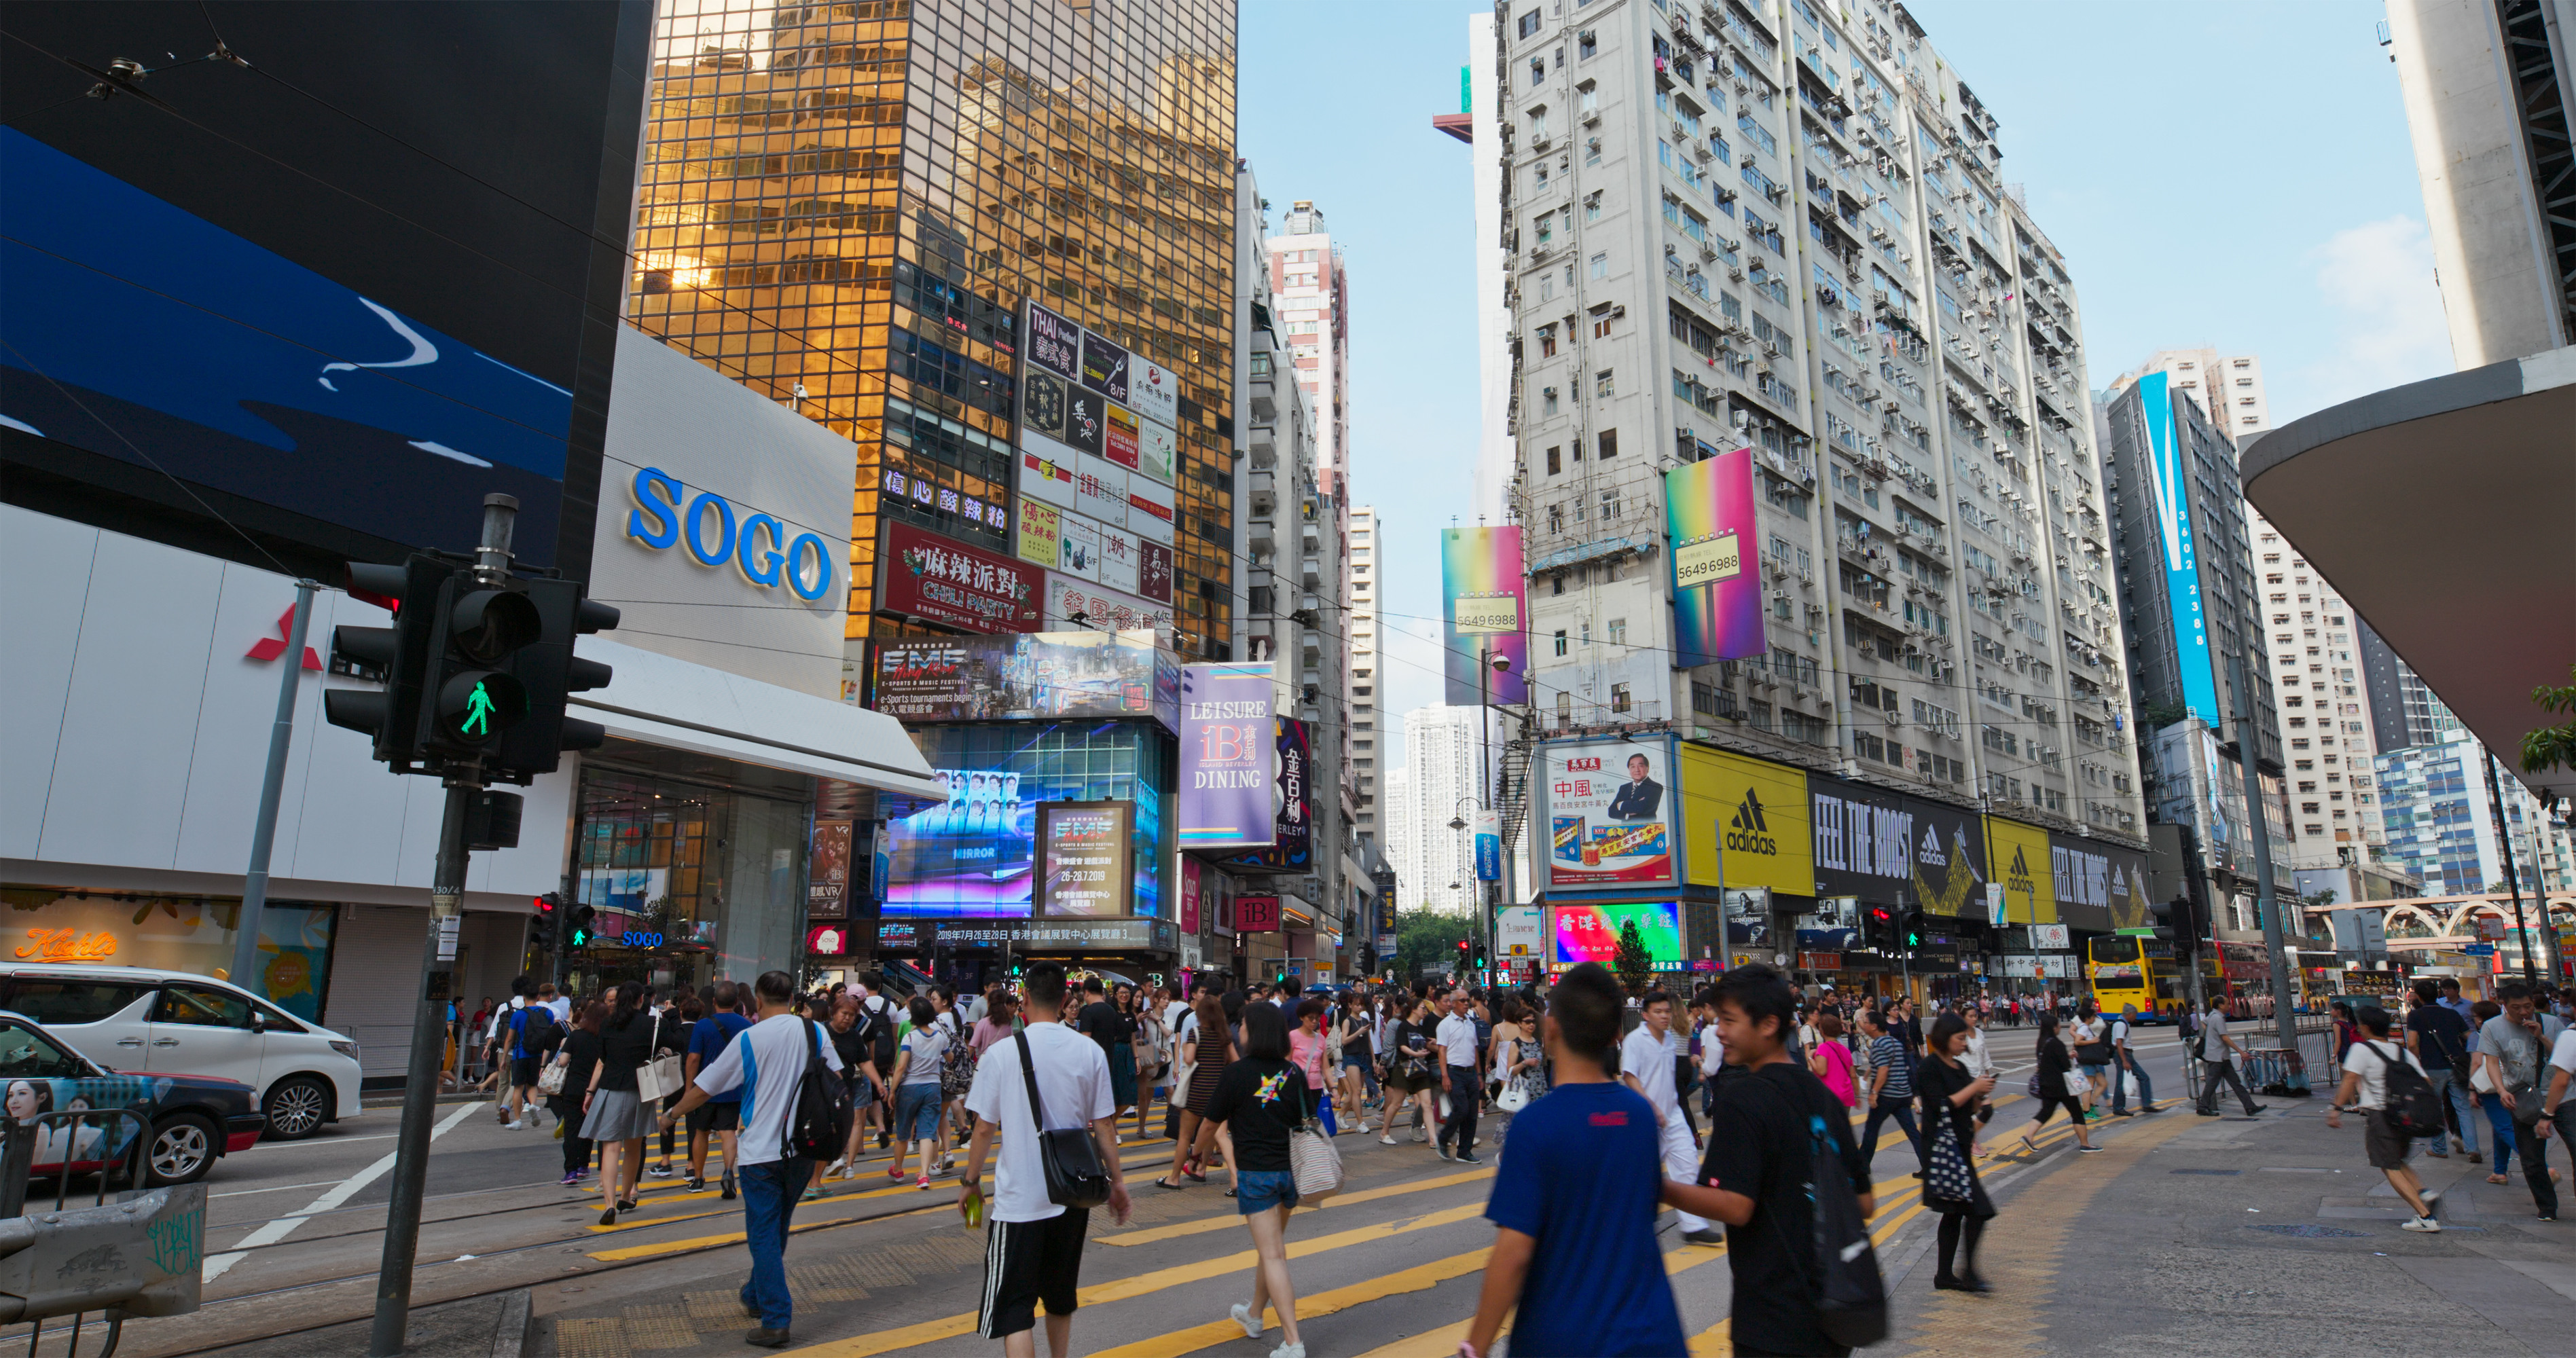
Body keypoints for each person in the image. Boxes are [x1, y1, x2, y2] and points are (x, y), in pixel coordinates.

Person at [1458, 963, 1686, 1358]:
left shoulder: (1535, 1125)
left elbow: (1513, 1255)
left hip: (1563, 1337)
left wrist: (1473, 1349)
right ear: (1617, 1034)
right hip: (1653, 1332)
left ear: (1552, 1030)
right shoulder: (1640, 1115)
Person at [1663, 964, 1876, 1357]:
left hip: (1770, 1320)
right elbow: (1864, 1203)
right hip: (1833, 1311)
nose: (1719, 1030)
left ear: (1767, 1024)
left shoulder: (1743, 1100)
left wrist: (1659, 1187)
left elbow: (1736, 1206)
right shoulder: (1822, 1098)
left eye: (1729, 1020)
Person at [956, 963, 1131, 1358]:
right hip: (1072, 1194)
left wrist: (971, 1184)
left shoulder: (1001, 1054)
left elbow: (983, 1129)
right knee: (1059, 1296)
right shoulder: (1088, 1051)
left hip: (1020, 1201)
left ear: (1026, 1000)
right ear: (1065, 1002)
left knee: (1015, 1309)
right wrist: (1117, 1183)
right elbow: (1103, 1125)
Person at [657, 970, 839, 1348]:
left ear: (757, 999)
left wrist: (671, 1115)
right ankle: (756, 1296)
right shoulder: (815, 1033)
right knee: (776, 1230)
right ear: (791, 998)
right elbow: (836, 1079)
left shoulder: (749, 1039)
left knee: (762, 1235)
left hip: (761, 1153)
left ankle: (775, 1319)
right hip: (804, 1149)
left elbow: (705, 1087)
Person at [1210, 1002, 1316, 1358]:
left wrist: (1196, 1151)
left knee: (1273, 1255)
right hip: (1290, 1174)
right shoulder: (1293, 1073)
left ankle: (1293, 1341)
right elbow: (1307, 1119)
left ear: (1252, 1032)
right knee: (1270, 1250)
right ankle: (1254, 1315)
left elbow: (1211, 1123)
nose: (1238, 1030)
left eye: (1243, 1025)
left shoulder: (1236, 1073)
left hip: (1256, 1175)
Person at [2327, 1004, 2442, 1232]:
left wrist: (2336, 1108)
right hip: (2404, 1117)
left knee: (2388, 1166)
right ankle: (2424, 1192)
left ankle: (2425, 1216)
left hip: (2380, 1116)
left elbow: (2350, 1079)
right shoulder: (2402, 1053)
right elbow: (2426, 1083)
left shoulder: (2362, 1050)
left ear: (2366, 1027)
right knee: (2397, 1160)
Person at [1618, 989, 1714, 1245]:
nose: (1664, 1016)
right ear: (1646, 1014)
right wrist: (1650, 1106)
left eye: (1667, 1012)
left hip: (1672, 1114)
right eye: (1658, 1012)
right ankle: (1628, 1223)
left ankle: (1693, 1226)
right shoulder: (1635, 1040)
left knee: (1688, 1166)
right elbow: (1629, 1075)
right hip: (1646, 1118)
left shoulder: (1670, 1040)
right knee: (1642, 1174)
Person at [1917, 1013, 1998, 1292]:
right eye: (1960, 1038)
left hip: (1961, 1149)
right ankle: (1968, 1274)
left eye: (1966, 1038)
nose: (1965, 1043)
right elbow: (1941, 1105)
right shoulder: (1928, 1068)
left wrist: (1980, 1096)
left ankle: (1945, 1276)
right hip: (1942, 1151)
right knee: (1979, 1210)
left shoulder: (1960, 1068)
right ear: (1944, 1038)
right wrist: (1973, 1088)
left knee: (1953, 1213)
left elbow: (1967, 1108)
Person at [2478, 980, 2567, 1221]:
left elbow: (2564, 1058)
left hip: (2563, 1096)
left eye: (2527, 1006)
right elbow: (2491, 1061)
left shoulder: (2551, 1022)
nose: (2524, 1012)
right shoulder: (2492, 1027)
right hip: (2524, 1097)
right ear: (2504, 1006)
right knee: (2531, 1157)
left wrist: (2542, 1037)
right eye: (2516, 1007)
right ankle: (2547, 1207)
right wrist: (2501, 1090)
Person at [581, 982, 657, 1225]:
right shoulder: (649, 1023)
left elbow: (603, 1057)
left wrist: (591, 1091)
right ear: (640, 999)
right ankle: (627, 1195)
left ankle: (609, 1204)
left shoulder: (607, 1024)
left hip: (610, 1088)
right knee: (634, 1146)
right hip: (639, 1089)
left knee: (610, 1148)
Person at [1159, 993, 1233, 1188]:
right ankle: (1201, 1169)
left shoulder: (1196, 1033)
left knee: (1185, 1136)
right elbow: (1235, 1061)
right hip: (1219, 1092)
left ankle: (1174, 1178)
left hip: (1197, 1091)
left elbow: (1189, 1059)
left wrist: (1185, 1047)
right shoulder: (1224, 1035)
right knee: (1212, 1131)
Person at [687, 981, 754, 1196]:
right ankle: (727, 1172)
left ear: (714, 1001)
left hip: (705, 1088)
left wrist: (690, 1089)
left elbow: (693, 1059)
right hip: (733, 1089)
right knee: (728, 1133)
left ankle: (697, 1178)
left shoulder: (703, 1025)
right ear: (737, 1002)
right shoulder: (747, 1026)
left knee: (701, 1132)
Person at [2402, 978, 2474, 1160]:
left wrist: (2417, 1063)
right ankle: (2473, 1149)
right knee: (2463, 1108)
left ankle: (2439, 1148)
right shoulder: (2452, 1014)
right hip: (2456, 1066)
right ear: (2438, 994)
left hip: (2430, 1067)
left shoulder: (2416, 1016)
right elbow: (2470, 1036)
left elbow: (2412, 1044)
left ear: (2418, 996)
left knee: (2435, 1108)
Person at [888, 995, 950, 1188]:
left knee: (904, 1133)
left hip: (909, 1088)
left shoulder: (910, 1038)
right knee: (927, 1132)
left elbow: (901, 1067)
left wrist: (892, 1091)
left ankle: (898, 1170)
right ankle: (924, 1175)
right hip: (932, 1087)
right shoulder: (940, 1037)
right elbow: (950, 1057)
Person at [2017, 1014, 2097, 1155]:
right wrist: (2069, 1057)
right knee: (2077, 1114)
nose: (2060, 1027)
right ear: (2054, 1028)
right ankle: (2085, 1144)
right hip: (2062, 1085)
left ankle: (2028, 1136)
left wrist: (2066, 1056)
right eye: (2058, 1025)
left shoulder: (2042, 1042)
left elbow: (2048, 1060)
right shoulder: (2056, 1043)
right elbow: (2065, 1065)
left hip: (2046, 1084)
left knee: (2045, 1112)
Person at [1857, 1009, 1922, 1175]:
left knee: (1871, 1130)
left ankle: (1862, 1167)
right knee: (1913, 1132)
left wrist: (1874, 1093)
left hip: (1886, 1097)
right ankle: (1929, 1165)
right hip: (1903, 1095)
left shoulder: (1878, 1045)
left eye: (1865, 1022)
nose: (1863, 1024)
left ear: (1873, 1026)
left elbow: (1883, 1070)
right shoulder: (1894, 1042)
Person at [547, 1000, 602, 1186]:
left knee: (572, 1129)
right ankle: (583, 1165)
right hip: (595, 1089)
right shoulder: (605, 1037)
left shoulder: (576, 1036)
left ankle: (570, 1170)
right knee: (589, 1128)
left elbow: (562, 1061)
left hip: (573, 1088)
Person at [2192, 993, 2266, 1117]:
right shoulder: (2218, 1018)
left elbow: (2204, 1023)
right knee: (2212, 1083)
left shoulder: (2212, 1015)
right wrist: (2241, 1052)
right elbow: (2225, 1038)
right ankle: (2203, 1106)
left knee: (2235, 1083)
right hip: (2218, 1057)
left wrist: (2211, 1035)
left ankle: (2250, 1107)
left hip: (2221, 1057)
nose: (2229, 1006)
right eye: (2227, 1004)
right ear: (2221, 1005)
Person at [1381, 996, 1440, 1146]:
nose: (1425, 1011)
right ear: (1413, 1009)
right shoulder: (1403, 1026)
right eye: (1422, 1008)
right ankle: (1384, 1133)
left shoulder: (1422, 1028)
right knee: (1397, 1103)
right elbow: (1402, 1046)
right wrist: (1416, 1054)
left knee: (1427, 1103)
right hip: (1404, 1069)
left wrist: (1434, 1044)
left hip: (1420, 1069)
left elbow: (1426, 1044)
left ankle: (1433, 1139)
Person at [1436, 988, 1484, 1164]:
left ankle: (1464, 1151)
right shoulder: (1445, 1025)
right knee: (1461, 1109)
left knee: (1472, 1114)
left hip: (1470, 1072)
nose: (1466, 1003)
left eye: (1467, 1001)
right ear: (1454, 1003)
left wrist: (1479, 1074)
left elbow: (1475, 1049)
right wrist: (1445, 1075)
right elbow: (1442, 1051)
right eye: (1462, 1001)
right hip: (1454, 1072)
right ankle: (1443, 1137)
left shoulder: (1470, 1023)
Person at [1287, 998, 1334, 1135]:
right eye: (1311, 1018)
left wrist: (1333, 1088)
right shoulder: (1293, 1036)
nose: (1314, 1021)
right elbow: (1287, 1063)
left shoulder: (1320, 1039)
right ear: (1302, 1017)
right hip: (1298, 1087)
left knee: (1311, 1122)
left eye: (1317, 1018)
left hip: (1316, 1088)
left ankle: (1308, 1150)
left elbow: (1325, 1067)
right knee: (1297, 1122)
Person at [1335, 994, 1377, 1135]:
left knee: (1353, 1092)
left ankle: (1340, 1115)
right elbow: (1344, 1041)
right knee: (1358, 1090)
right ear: (1350, 1005)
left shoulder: (1365, 1020)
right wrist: (1358, 1032)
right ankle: (1360, 1122)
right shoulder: (1348, 1021)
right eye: (1357, 1004)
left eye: (1361, 1005)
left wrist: (1374, 1060)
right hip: (1351, 1057)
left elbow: (1369, 1042)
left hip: (1364, 1056)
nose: (1359, 1007)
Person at [2105, 1004, 2156, 1117]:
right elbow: (2119, 1043)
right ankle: (2118, 1107)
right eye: (2135, 1015)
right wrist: (2124, 1061)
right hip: (2123, 1054)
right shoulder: (2120, 1025)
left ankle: (2147, 1104)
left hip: (2127, 1054)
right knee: (2121, 1082)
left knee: (2144, 1077)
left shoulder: (2124, 1023)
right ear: (2130, 1014)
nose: (2136, 1017)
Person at [2069, 1002, 2113, 1109]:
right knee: (2089, 1087)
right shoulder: (2084, 1027)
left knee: (2103, 1083)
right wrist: (2093, 1041)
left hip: (2092, 1060)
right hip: (2087, 1060)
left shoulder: (2086, 1027)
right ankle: (2087, 1111)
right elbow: (2078, 1041)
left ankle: (2092, 1103)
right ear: (2088, 1018)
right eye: (2093, 1016)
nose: (2095, 1018)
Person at [1606, 751, 1665, 821]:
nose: (1637, 770)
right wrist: (1627, 815)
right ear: (1629, 770)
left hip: (1647, 829)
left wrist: (1621, 804)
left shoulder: (1655, 787)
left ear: (1647, 768)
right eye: (1633, 767)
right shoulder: (1624, 788)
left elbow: (1643, 808)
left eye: (1640, 766)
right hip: (1626, 830)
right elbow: (1611, 811)